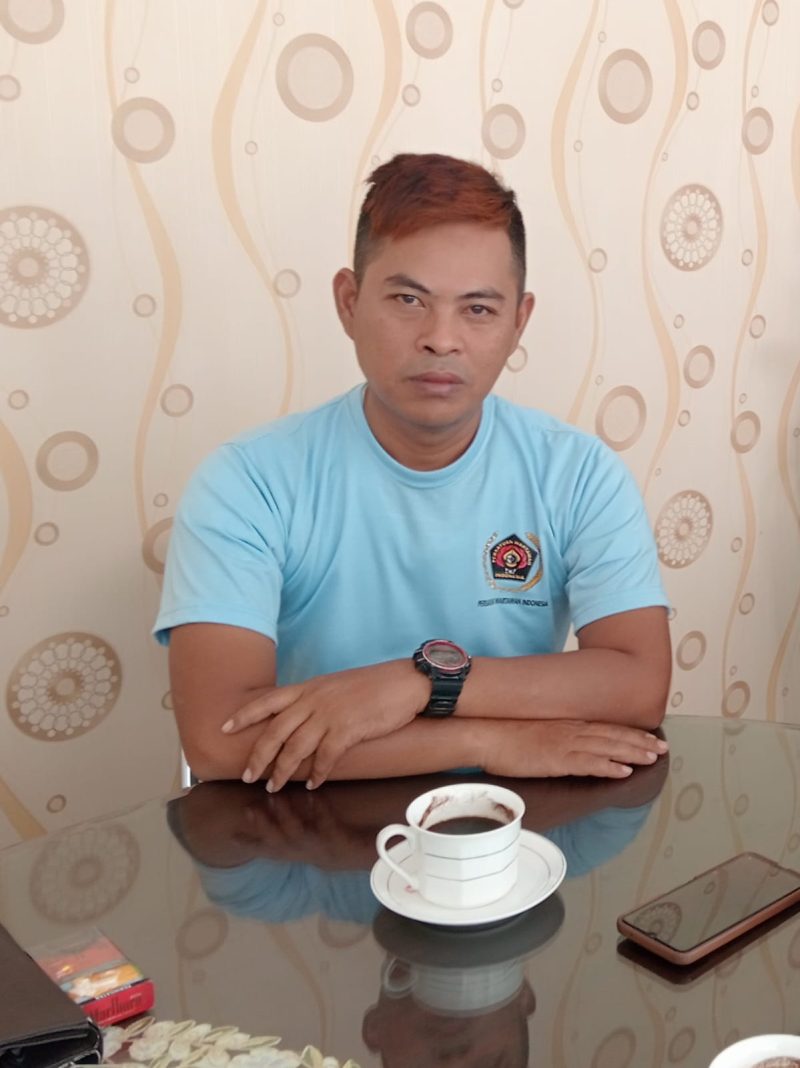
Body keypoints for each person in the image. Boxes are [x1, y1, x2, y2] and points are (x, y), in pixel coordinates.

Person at [154, 152, 671, 790]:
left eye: (478, 309)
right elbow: (219, 742)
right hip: (304, 819)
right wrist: (484, 740)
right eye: (408, 299)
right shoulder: (246, 483)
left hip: (513, 826)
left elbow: (639, 685)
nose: (441, 339)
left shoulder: (580, 474)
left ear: (519, 321)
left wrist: (417, 681)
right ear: (348, 302)